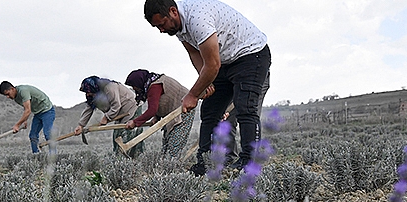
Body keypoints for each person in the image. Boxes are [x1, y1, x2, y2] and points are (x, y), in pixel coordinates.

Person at [144, 0, 271, 175]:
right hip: (224, 61)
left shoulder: (197, 18)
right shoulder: (179, 27)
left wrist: (193, 94)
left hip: (250, 55)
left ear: (173, 11)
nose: (161, 30)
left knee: (245, 108)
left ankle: (249, 161)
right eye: (157, 27)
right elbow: (194, 52)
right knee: (210, 111)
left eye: (162, 24)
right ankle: (205, 162)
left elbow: (212, 65)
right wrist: (206, 83)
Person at [124, 69, 195, 158]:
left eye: (134, 85)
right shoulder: (152, 84)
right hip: (173, 112)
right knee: (167, 140)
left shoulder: (155, 86)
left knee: (175, 140)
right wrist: (156, 117)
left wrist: (135, 122)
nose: (134, 88)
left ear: (139, 82)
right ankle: (166, 163)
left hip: (185, 109)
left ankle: (172, 166)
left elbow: (152, 110)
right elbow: (161, 102)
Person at [74, 76, 145, 157]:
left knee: (128, 135)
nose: (88, 94)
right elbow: (89, 108)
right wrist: (81, 125)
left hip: (132, 108)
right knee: (117, 136)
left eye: (88, 91)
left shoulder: (110, 87)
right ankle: (118, 159)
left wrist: (106, 118)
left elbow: (116, 105)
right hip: (119, 114)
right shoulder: (93, 95)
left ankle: (135, 159)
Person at [0, 81, 56, 154]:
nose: (7, 97)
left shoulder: (23, 91)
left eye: (8, 94)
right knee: (33, 135)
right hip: (37, 113)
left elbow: (28, 111)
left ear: (12, 89)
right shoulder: (16, 98)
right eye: (5, 95)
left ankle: (53, 156)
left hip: (47, 110)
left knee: (48, 134)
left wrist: (18, 125)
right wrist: (24, 120)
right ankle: (36, 156)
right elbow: (26, 107)